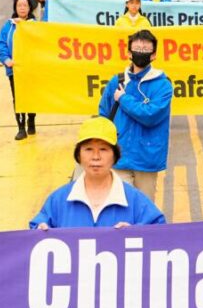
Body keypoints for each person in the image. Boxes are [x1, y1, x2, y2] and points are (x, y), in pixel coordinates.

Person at [31, 116, 164, 230]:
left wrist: (138, 233)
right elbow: (35, 230)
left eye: (103, 149)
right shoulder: (58, 200)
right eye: (88, 149)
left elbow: (161, 234)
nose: (96, 156)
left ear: (115, 156)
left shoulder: (135, 200)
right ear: (78, 155)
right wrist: (39, 231)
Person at [97, 29, 173, 201]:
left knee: (143, 212)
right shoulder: (116, 81)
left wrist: (123, 98)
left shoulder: (163, 85)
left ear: (153, 55)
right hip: (118, 157)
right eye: (137, 48)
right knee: (119, 207)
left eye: (146, 49)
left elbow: (150, 115)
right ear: (129, 53)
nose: (141, 52)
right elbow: (104, 115)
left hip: (146, 159)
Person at [0, 0, 37, 140]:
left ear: (29, 8)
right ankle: (21, 127)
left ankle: (31, 120)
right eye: (19, 5)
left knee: (31, 96)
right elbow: (1, 44)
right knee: (18, 98)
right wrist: (6, 60)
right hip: (14, 69)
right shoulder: (8, 26)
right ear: (15, 8)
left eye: (24, 5)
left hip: (31, 69)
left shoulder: (35, 25)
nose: (22, 8)